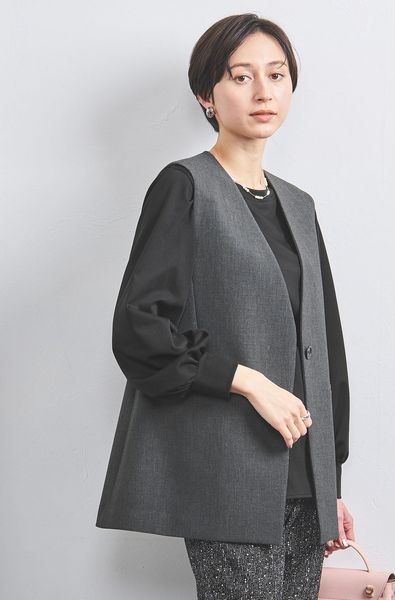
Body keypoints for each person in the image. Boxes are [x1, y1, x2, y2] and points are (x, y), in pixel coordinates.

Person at [96, 13, 355, 599]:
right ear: (206, 95)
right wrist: (248, 381)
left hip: (304, 478)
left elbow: (325, 348)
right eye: (241, 76)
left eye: (276, 75)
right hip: (227, 477)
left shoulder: (299, 205)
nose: (263, 92)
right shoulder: (184, 186)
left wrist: (330, 481)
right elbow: (139, 329)